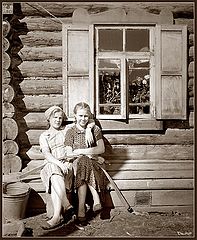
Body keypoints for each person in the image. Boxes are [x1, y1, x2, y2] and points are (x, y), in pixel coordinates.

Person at [39, 105, 94, 230]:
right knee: (53, 170)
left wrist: (90, 129)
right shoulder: (44, 136)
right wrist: (58, 164)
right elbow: (47, 154)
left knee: (55, 179)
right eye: (55, 118)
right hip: (52, 164)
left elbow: (87, 120)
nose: (58, 120)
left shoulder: (67, 130)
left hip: (68, 165)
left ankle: (57, 217)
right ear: (49, 119)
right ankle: (66, 205)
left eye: (60, 118)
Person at [64, 102, 107, 227]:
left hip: (94, 164)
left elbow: (101, 149)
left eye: (86, 116)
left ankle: (81, 210)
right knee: (83, 162)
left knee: (84, 162)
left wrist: (82, 152)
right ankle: (95, 198)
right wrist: (87, 154)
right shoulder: (70, 131)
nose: (83, 119)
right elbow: (69, 153)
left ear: (90, 116)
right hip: (77, 165)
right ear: (75, 116)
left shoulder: (95, 129)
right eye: (80, 116)